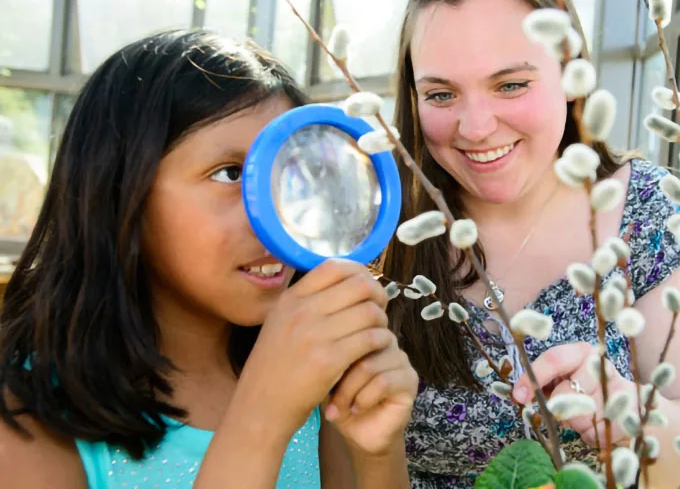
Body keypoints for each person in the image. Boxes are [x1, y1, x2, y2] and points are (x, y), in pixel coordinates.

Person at [381, 0, 680, 487]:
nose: (475, 128)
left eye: (511, 84)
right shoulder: (383, 227)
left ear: (570, 72)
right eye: (441, 95)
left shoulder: (648, 211)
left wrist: (628, 415)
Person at [0, 29, 418, 488]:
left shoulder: (321, 377)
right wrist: (263, 412)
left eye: (290, 172)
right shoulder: (25, 415)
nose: (273, 215)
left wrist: (378, 452)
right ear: (119, 192)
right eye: (230, 173)